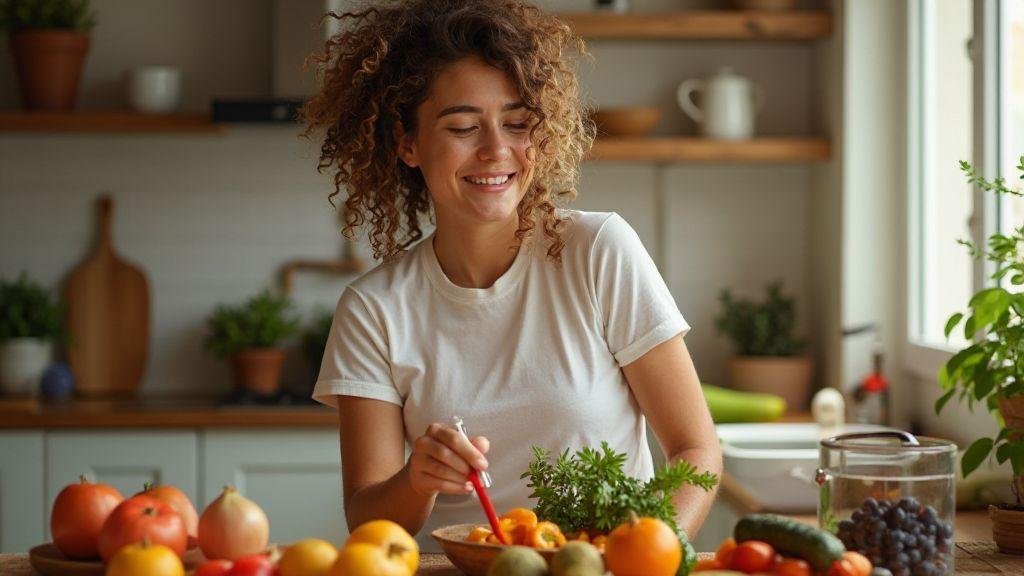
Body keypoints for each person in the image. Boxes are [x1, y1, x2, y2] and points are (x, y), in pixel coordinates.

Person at [301, 0, 722, 553]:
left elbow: (696, 449)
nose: (497, 150)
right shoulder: (374, 309)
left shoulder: (597, 251)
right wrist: (416, 480)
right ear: (407, 142)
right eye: (462, 126)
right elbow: (369, 519)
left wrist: (649, 556)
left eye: (518, 123)